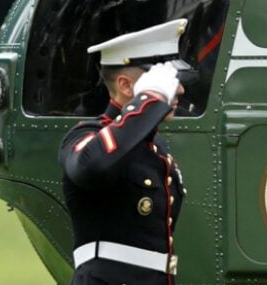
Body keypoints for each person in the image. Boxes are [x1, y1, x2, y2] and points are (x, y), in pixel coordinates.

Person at [58, 19, 192, 284]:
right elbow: (91, 166)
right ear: (127, 86)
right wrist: (150, 100)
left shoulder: (155, 149)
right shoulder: (85, 136)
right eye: (165, 82)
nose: (179, 90)